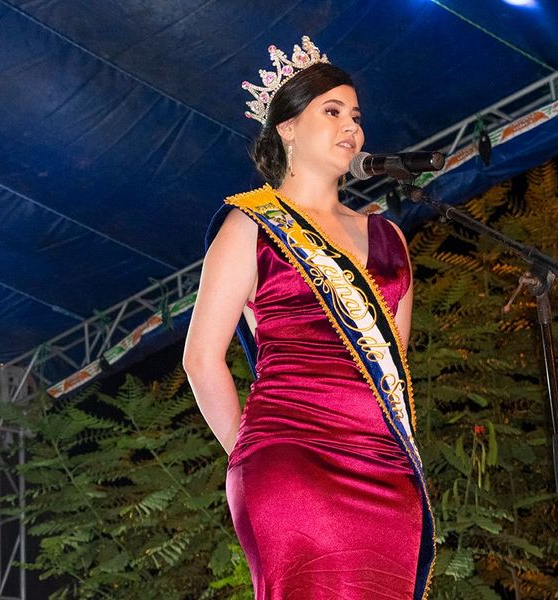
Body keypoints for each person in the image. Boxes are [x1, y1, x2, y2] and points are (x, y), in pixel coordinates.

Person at [183, 36, 435, 599]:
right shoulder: (251, 225)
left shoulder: (388, 238)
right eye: (332, 111)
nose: (352, 127)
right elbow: (200, 359)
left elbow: (391, 362)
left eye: (356, 116)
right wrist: (250, 450)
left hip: (385, 469)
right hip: (290, 455)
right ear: (288, 127)